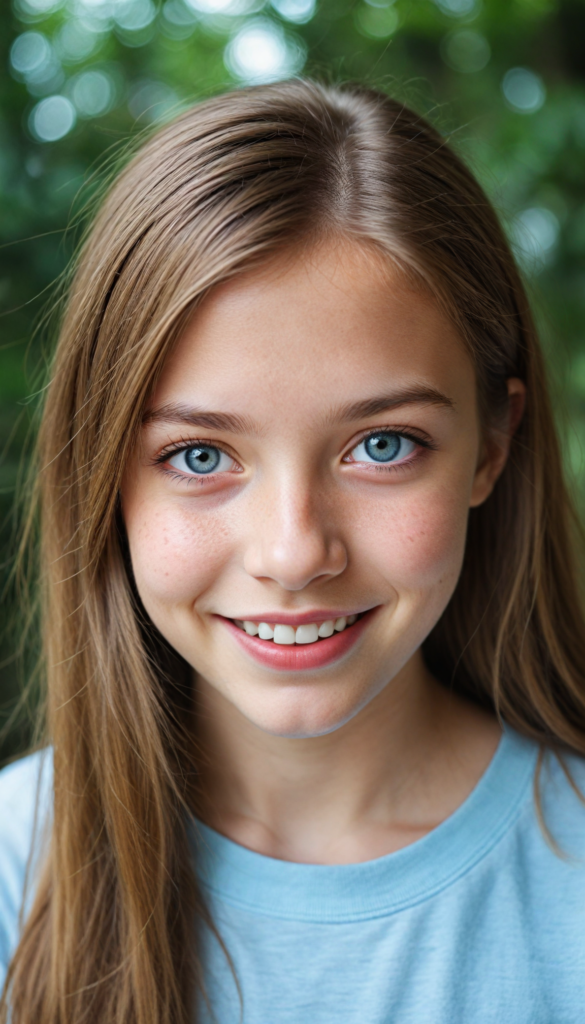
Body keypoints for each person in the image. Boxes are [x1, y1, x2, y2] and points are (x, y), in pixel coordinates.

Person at [0, 79, 584, 1024]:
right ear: (102, 471)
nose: (293, 551)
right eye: (199, 456)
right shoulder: (15, 869)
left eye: (381, 445)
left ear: (491, 445)